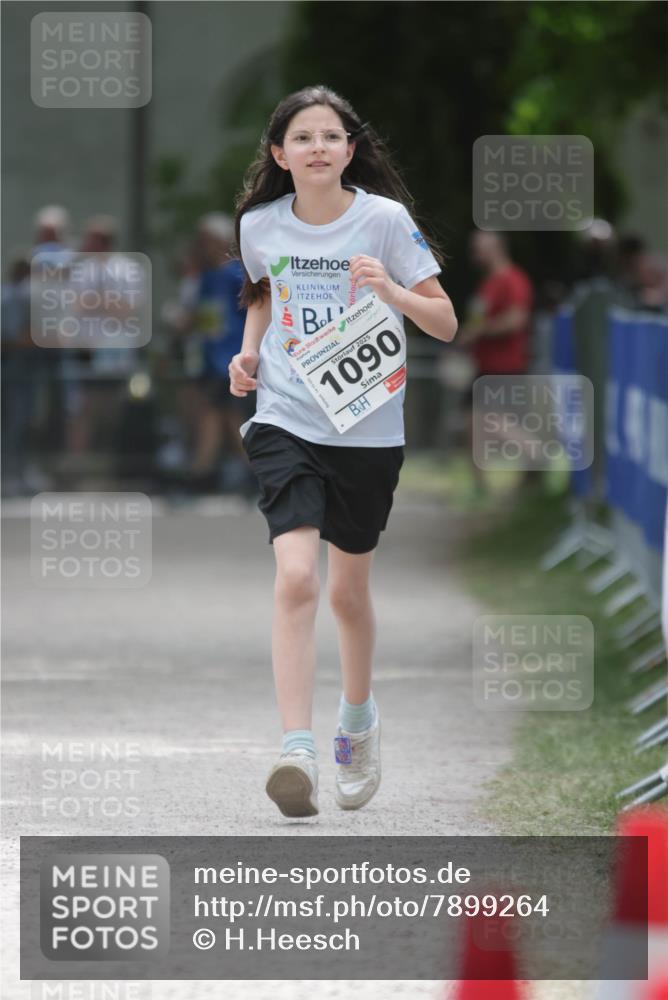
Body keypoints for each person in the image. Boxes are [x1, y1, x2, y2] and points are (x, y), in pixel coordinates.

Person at [228, 85, 457, 818]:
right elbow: (264, 292)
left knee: (346, 592)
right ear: (279, 154)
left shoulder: (383, 220)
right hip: (287, 418)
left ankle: (356, 724)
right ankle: (296, 747)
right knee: (296, 576)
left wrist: (391, 289)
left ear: (350, 150)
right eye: (302, 138)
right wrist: (249, 354)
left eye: (331, 136)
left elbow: (447, 323)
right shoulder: (259, 225)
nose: (317, 147)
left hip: (366, 431)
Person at [456, 230, 534, 497]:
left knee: (489, 422)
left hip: (505, 366)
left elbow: (516, 320)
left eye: (481, 247)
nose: (475, 253)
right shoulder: (487, 283)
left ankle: (538, 455)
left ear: (497, 248)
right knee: (473, 422)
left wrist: (479, 331)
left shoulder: (513, 280)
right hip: (484, 365)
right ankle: (481, 487)